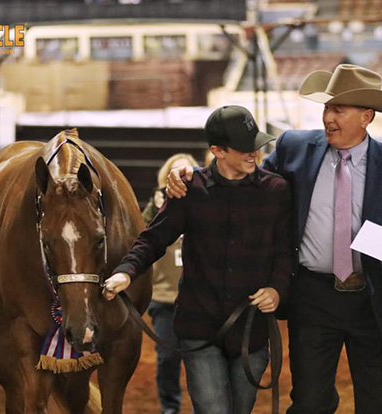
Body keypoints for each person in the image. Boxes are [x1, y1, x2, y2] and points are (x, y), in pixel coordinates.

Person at [165, 64, 382, 414]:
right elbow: (244, 177)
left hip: (374, 299)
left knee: (378, 404)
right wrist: (192, 174)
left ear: (366, 116)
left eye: (339, 110)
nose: (328, 118)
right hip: (314, 297)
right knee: (309, 403)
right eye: (326, 108)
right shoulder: (294, 147)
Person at [103, 105, 294, 414]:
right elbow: (154, 238)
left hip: (251, 330)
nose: (254, 154)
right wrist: (126, 272)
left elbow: (285, 252)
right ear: (217, 150)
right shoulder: (189, 189)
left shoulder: (277, 191)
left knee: (240, 409)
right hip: (199, 329)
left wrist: (277, 289)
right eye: (245, 148)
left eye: (256, 146)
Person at [141, 153, 198, 414]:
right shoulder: (155, 210)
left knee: (203, 360)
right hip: (165, 298)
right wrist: (156, 207)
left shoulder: (204, 205)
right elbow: (142, 238)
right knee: (167, 359)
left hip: (200, 297)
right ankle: (170, 409)